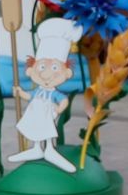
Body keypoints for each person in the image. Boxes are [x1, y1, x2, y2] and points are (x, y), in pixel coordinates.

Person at [9, 17, 83, 173]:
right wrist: (20, 92)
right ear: (31, 70)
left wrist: (59, 109)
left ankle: (50, 150)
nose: (46, 74)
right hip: (36, 112)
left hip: (49, 112)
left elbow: (63, 101)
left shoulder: (54, 94)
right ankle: (36, 149)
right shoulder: (38, 91)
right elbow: (30, 96)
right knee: (36, 130)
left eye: (55, 68)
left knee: (47, 131)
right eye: (42, 67)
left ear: (67, 73)